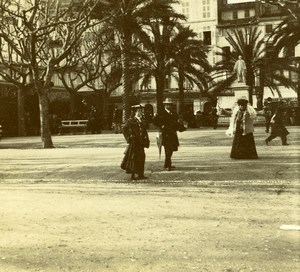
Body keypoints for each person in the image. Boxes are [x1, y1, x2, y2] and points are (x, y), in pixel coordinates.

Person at [153, 98, 186, 171]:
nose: (168, 106)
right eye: (167, 105)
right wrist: (161, 126)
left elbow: (176, 123)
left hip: (173, 134)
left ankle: (168, 164)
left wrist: (182, 128)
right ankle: (167, 165)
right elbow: (155, 121)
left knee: (171, 149)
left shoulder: (174, 113)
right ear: (165, 105)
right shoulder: (161, 113)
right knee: (167, 150)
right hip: (165, 134)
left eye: (169, 105)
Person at [121, 105, 150, 180]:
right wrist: (129, 137)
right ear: (135, 112)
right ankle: (133, 174)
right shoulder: (131, 120)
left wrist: (146, 139)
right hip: (134, 142)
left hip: (141, 142)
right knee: (133, 157)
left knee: (142, 157)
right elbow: (124, 129)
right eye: (138, 111)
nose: (140, 112)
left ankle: (141, 174)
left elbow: (144, 131)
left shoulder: (142, 121)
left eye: (141, 111)